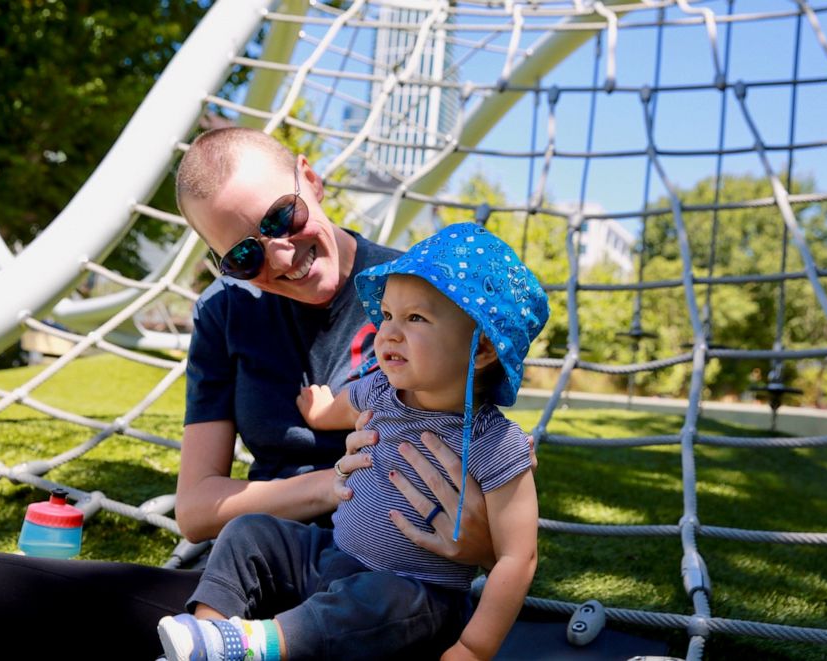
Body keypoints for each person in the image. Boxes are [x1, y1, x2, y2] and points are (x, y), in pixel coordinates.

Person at [0, 128, 499, 660]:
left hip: (387, 598)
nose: (282, 256)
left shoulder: (429, 298)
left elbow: (485, 480)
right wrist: (336, 484)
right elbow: (197, 510)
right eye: (244, 255)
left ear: (310, 178)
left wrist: (486, 546)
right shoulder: (224, 314)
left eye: (282, 218)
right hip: (261, 581)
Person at [155, 223, 549, 661]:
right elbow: (345, 404)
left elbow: (518, 558)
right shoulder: (382, 389)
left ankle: (253, 645)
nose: (389, 333)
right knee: (249, 530)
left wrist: (474, 649)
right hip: (333, 557)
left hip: (414, 599)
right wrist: (320, 413)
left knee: (372, 602)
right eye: (386, 315)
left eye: (415, 318)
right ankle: (210, 636)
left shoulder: (495, 442)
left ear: (480, 351)